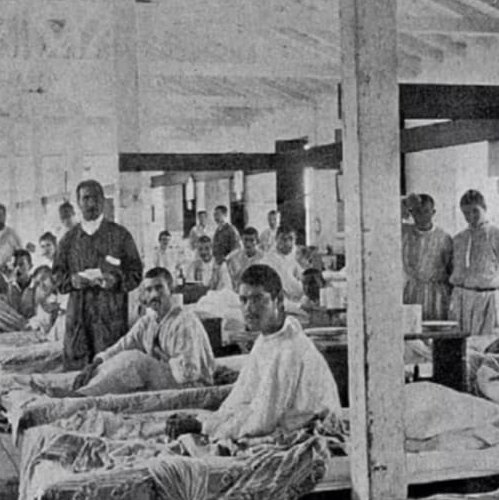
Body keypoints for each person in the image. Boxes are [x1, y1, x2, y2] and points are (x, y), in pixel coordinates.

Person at [166, 264, 341, 442]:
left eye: (257, 299)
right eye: (243, 300)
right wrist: (205, 422)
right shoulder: (267, 339)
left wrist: (203, 428)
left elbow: (262, 422)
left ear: (279, 299)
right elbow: (241, 397)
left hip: (308, 435)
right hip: (278, 426)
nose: (249, 308)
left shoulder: (290, 349)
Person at [70, 267, 215, 396]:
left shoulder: (184, 321)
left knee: (137, 361)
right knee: (121, 358)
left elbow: (189, 373)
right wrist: (93, 365)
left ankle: (82, 395)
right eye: (149, 290)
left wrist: (162, 359)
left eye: (159, 288)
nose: (153, 295)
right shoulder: (148, 321)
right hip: (171, 378)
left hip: (192, 386)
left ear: (171, 290)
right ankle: (82, 389)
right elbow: (121, 347)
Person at [53, 179, 143, 370]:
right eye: (86, 198)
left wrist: (116, 280)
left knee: (111, 374)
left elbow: (135, 273)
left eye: (96, 198)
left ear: (103, 200)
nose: (91, 203)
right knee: (77, 377)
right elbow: (57, 278)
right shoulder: (68, 241)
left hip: (110, 320)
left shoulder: (120, 236)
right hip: (78, 321)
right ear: (78, 203)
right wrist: (72, 281)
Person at [449, 189, 499, 336]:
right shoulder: (459, 239)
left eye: (475, 211)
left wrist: (494, 292)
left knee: (489, 341)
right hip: (463, 299)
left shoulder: (497, 234)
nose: (471, 217)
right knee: (463, 342)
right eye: (466, 213)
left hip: (488, 299)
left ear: (484, 208)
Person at [402, 193, 452, 320]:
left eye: (426, 211)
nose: (422, 216)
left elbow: (451, 269)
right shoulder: (405, 233)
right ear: (411, 213)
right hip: (413, 291)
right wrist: (405, 203)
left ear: (433, 212)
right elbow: (386, 218)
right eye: (417, 211)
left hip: (438, 293)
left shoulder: (444, 238)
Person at [0, 249, 37, 332]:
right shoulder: (8, 286)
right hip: (13, 327)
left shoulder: (38, 285)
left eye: (21, 265)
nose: (17, 269)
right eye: (14, 265)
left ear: (30, 266)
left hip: (33, 325)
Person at [259, 225, 304, 303]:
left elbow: (302, 276)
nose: (287, 243)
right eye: (283, 239)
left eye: (291, 238)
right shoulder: (267, 260)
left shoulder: (293, 256)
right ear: (276, 239)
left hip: (297, 299)